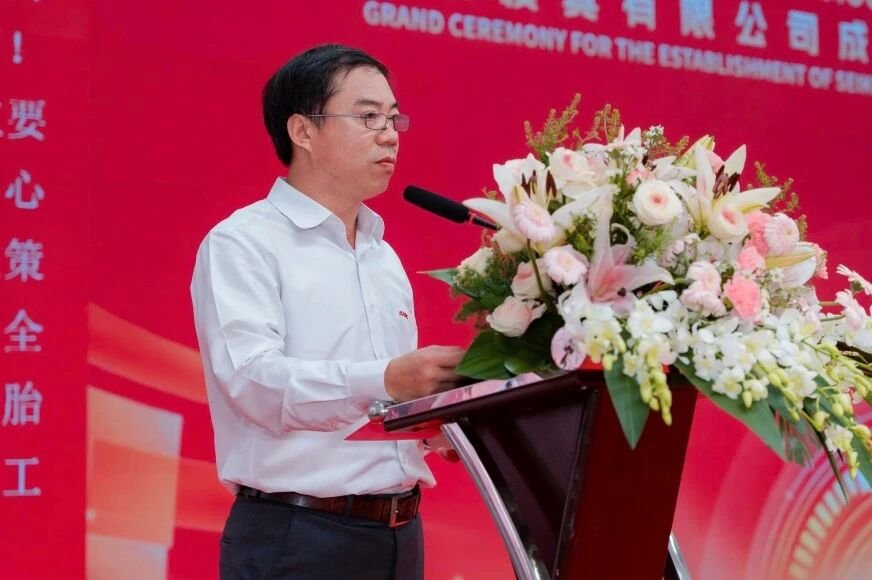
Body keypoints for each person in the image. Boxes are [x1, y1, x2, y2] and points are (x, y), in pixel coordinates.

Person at [190, 44, 465, 580]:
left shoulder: (382, 254)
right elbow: (254, 383)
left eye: (393, 118)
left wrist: (439, 423)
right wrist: (387, 378)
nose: (390, 135)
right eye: (368, 117)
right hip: (299, 538)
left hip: (400, 534)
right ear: (303, 131)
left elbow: (382, 404)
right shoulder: (243, 242)